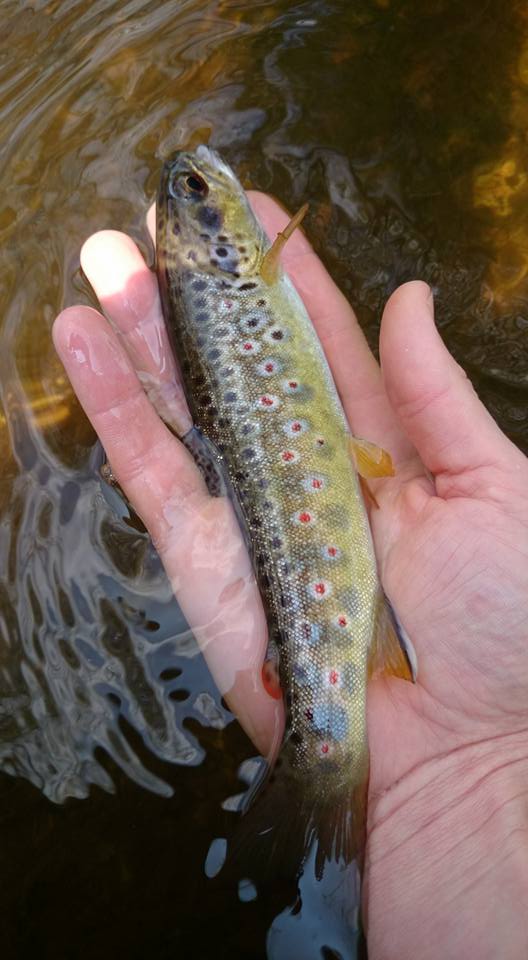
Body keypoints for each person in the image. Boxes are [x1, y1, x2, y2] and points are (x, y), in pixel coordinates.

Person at [53, 193, 528, 959]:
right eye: (198, 196)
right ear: (233, 245)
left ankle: (318, 794)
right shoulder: (258, 262)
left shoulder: (244, 274)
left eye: (192, 195)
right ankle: (321, 776)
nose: (200, 186)